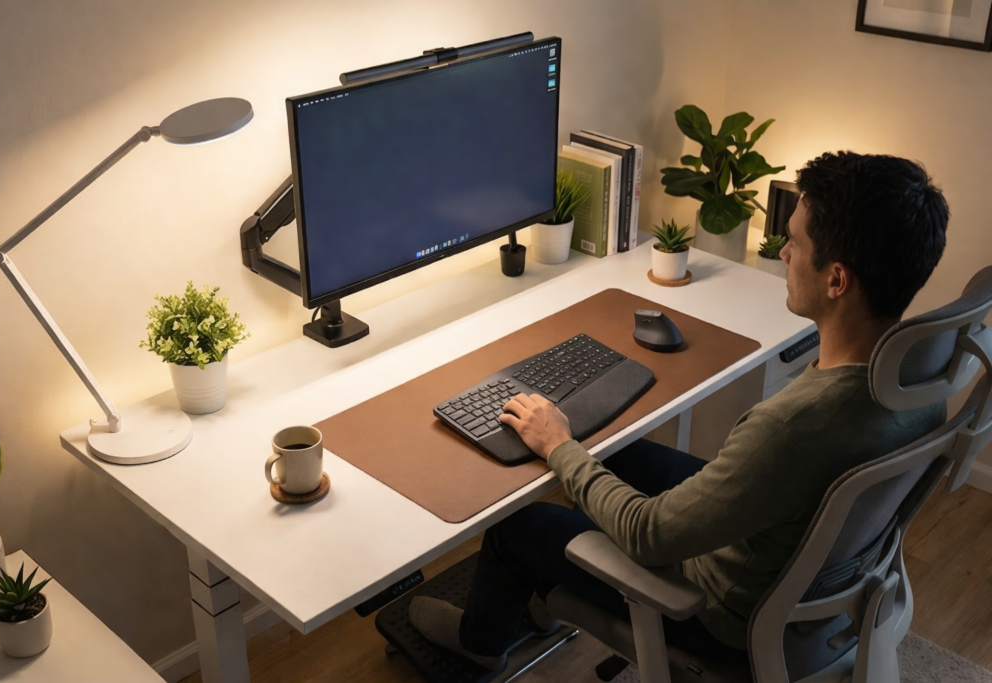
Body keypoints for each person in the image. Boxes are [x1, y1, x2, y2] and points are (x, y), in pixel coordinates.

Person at [408, 151, 952, 671]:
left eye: (794, 243)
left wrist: (558, 446)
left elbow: (650, 534)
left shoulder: (793, 427)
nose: (783, 253)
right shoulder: (922, 379)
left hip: (718, 614)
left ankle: (478, 645)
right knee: (622, 453)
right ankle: (536, 598)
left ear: (837, 280)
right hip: (796, 573)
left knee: (518, 523)